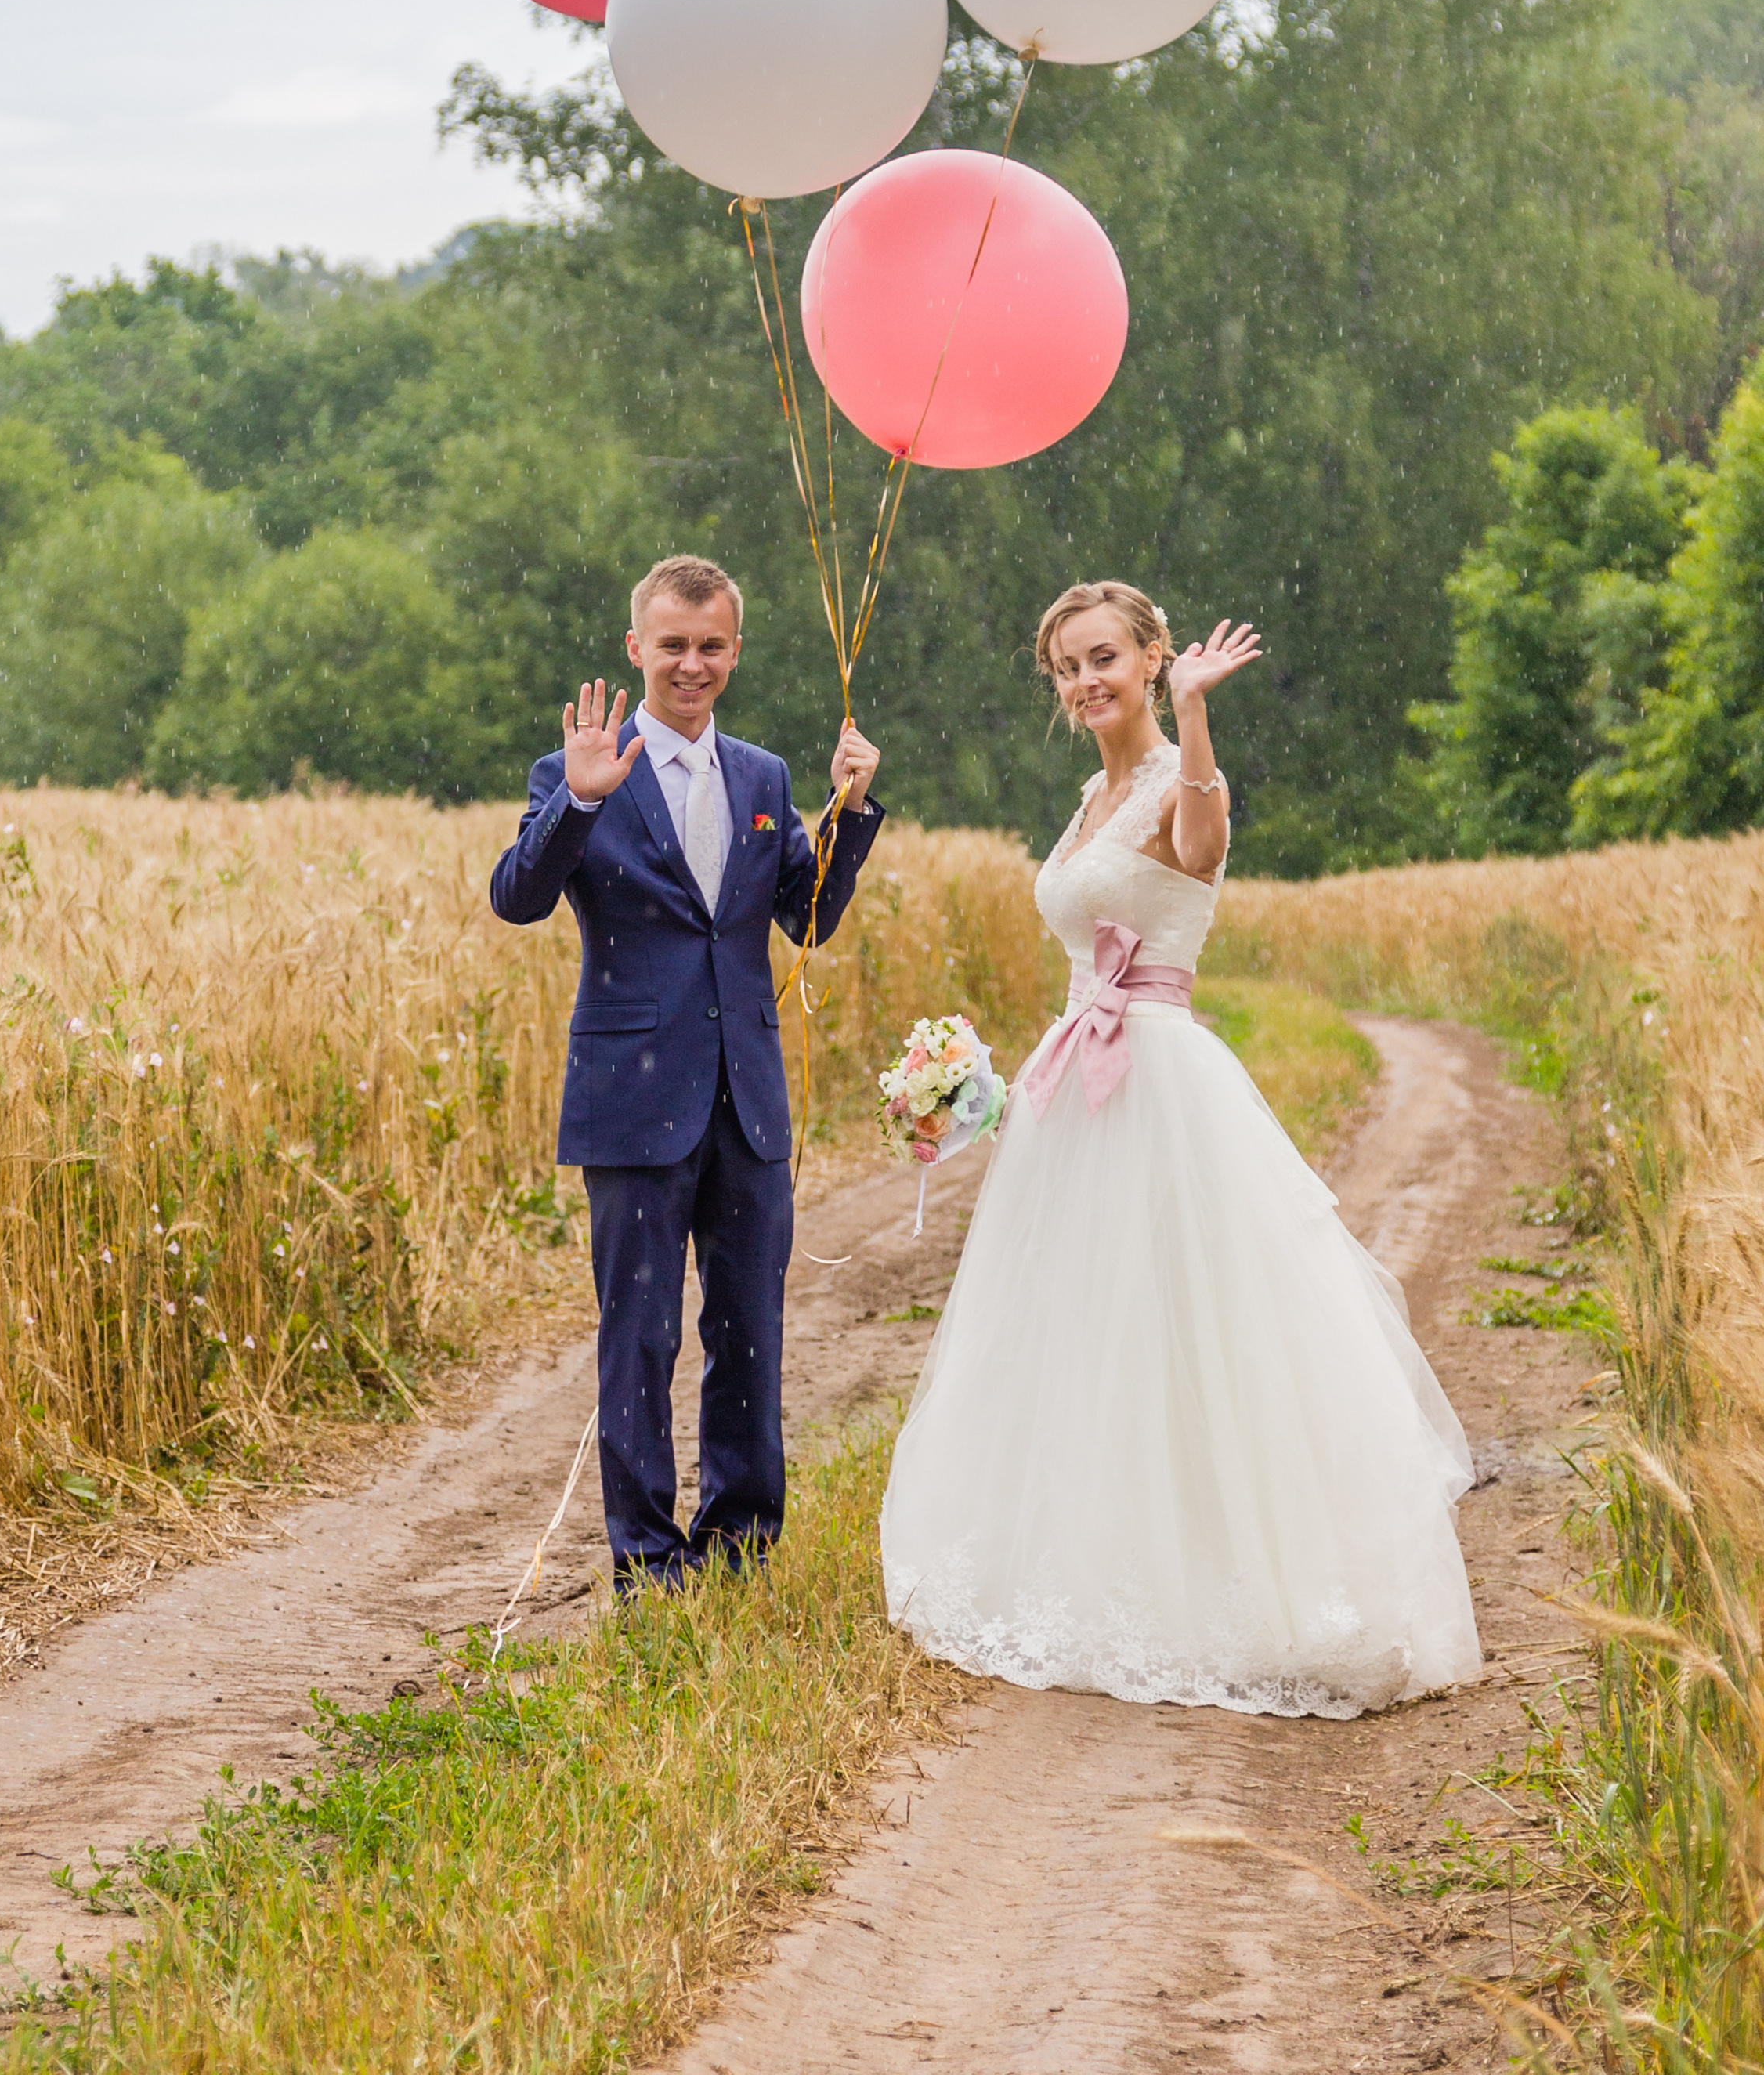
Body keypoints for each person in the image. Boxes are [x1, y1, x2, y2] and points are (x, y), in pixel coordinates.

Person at [880, 581, 1480, 1717]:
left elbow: (1201, 850)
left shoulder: (1175, 779)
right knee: (1079, 1321)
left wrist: (1196, 717)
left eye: (1105, 657)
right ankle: (1087, 1553)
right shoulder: (1090, 797)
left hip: (1157, 1073)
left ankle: (1224, 1571)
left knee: (1187, 1314)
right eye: (1067, 666)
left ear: (1153, 657)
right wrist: (980, 1083)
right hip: (1074, 1076)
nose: (1085, 681)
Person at [491, 552, 884, 1596]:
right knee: (641, 1334)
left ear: (735, 652)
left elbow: (804, 918)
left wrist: (847, 814)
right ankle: (647, 1560)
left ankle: (741, 1544)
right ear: (637, 648)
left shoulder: (761, 777)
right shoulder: (574, 769)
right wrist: (578, 805)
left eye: (711, 646)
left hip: (747, 1102)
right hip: (631, 1100)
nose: (691, 665)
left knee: (748, 1329)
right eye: (672, 645)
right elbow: (517, 898)